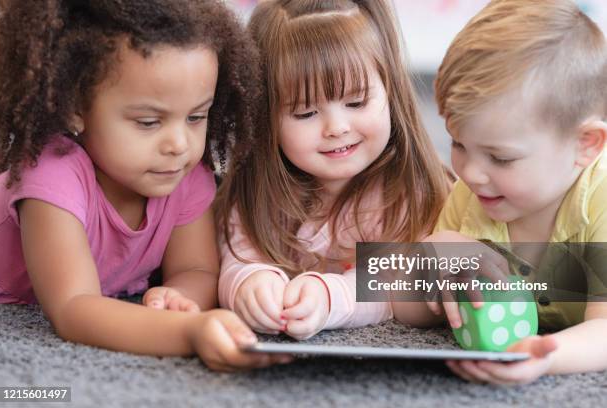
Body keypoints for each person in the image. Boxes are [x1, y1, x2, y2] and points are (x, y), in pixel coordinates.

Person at [0, 0, 290, 371]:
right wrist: (187, 331)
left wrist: (178, 298)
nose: (179, 144)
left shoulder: (185, 175)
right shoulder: (52, 175)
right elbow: (73, 307)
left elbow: (197, 270)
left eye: (196, 116)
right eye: (149, 122)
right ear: (75, 107)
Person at [217, 0, 450, 340]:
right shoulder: (258, 187)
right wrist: (249, 282)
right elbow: (236, 254)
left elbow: (394, 287)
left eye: (356, 103)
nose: (336, 127)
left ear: (391, 92)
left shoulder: (407, 190)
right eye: (306, 113)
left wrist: (330, 297)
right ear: (265, 117)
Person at [427, 0, 607, 384]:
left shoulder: (601, 198)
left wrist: (546, 358)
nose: (471, 173)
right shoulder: (474, 192)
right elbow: (414, 311)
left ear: (585, 145)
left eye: (501, 158)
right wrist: (431, 253)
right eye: (457, 145)